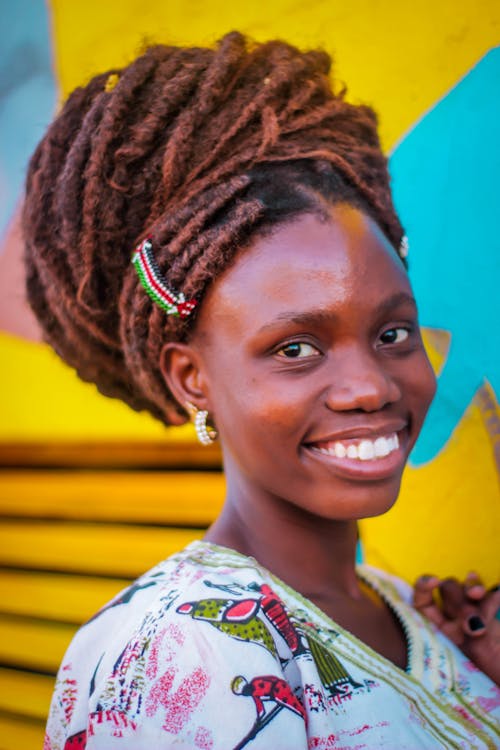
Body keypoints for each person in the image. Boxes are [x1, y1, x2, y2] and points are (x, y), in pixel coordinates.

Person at [23, 32, 499, 749]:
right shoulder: (178, 657)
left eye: (393, 333)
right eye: (296, 348)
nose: (369, 387)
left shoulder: (409, 615)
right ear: (194, 378)